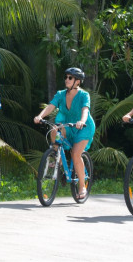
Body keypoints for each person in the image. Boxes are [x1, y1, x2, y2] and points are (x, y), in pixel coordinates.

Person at [34, 67, 95, 200]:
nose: (67, 80)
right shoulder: (61, 94)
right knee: (54, 129)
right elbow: (51, 106)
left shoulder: (84, 95)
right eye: (66, 77)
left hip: (83, 127)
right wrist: (40, 116)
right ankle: (58, 157)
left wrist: (81, 121)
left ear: (77, 81)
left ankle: (82, 186)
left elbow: (85, 110)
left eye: (70, 78)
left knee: (75, 154)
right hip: (68, 125)